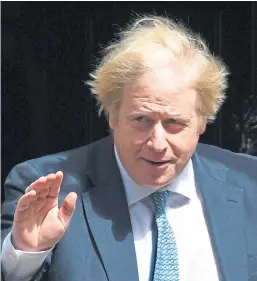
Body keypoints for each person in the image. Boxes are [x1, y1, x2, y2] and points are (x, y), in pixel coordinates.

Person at [1, 14, 257, 281]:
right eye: (141, 119)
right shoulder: (46, 188)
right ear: (112, 116)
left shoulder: (250, 182)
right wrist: (27, 254)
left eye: (175, 123)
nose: (158, 144)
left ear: (202, 121)